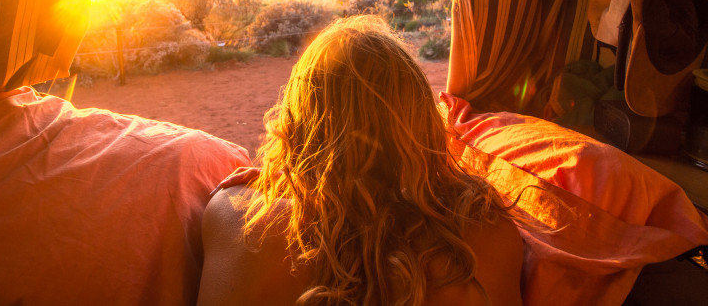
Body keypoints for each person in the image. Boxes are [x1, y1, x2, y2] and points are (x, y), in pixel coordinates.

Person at [197, 15, 523, 306]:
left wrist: (284, 181)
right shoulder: (485, 236)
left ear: (299, 124)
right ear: (422, 120)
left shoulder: (236, 215)